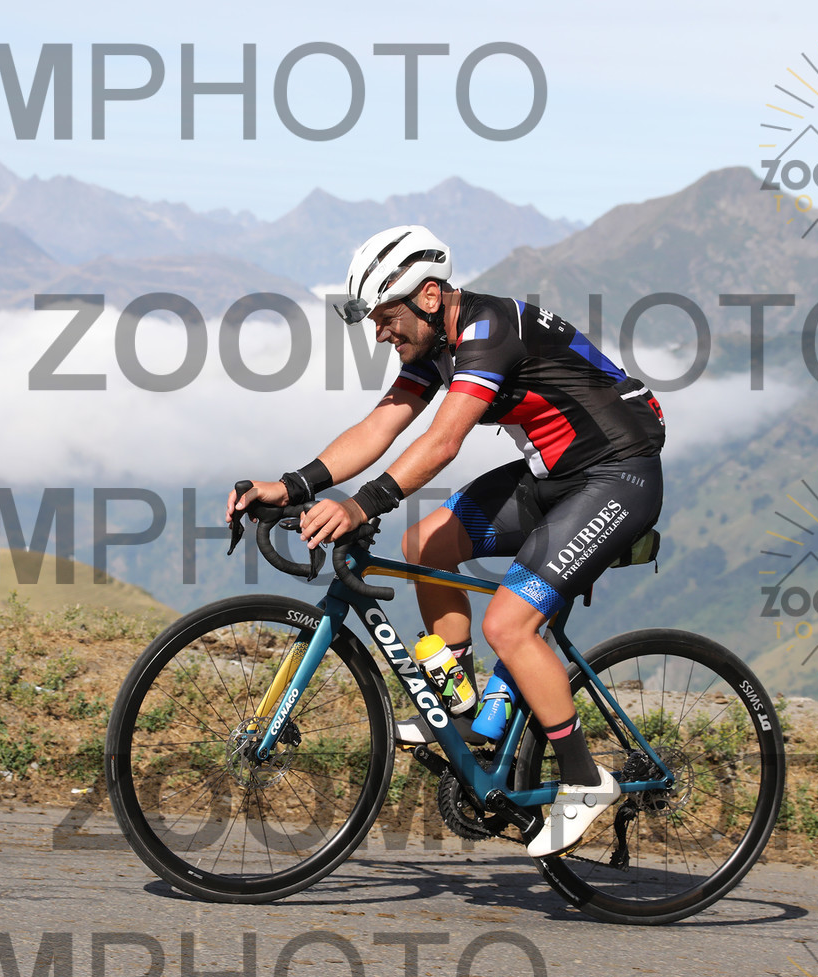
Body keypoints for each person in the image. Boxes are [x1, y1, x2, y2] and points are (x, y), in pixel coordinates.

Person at [226, 224, 666, 857]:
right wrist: (291, 485)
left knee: (509, 625)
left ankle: (584, 778)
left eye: (386, 317)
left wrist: (359, 505)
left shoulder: (490, 332)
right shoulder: (434, 346)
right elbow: (380, 426)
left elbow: (442, 442)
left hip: (619, 477)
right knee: (426, 542)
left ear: (429, 296)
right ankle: (461, 711)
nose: (380, 333)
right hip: (552, 477)